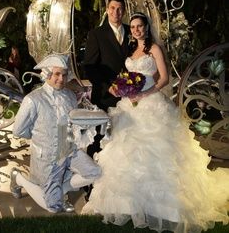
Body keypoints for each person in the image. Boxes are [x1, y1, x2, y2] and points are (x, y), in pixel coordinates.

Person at [82, 12, 229, 233]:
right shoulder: (132, 50)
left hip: (151, 103)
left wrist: (145, 93)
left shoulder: (154, 49)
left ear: (146, 27)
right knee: (125, 151)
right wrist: (121, 87)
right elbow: (128, 75)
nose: (136, 30)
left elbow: (164, 77)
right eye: (132, 27)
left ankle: (161, 205)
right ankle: (127, 203)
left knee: (156, 152)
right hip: (129, 106)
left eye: (139, 26)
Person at [10, 53, 101, 213]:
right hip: (48, 156)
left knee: (95, 172)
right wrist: (41, 138)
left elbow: (72, 122)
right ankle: (18, 177)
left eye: (64, 75)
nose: (61, 79)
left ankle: (60, 191)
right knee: (52, 208)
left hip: (69, 150)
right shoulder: (33, 100)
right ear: (47, 74)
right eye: (57, 74)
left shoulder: (70, 96)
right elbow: (18, 130)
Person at [83, 0, 129, 157]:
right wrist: (108, 87)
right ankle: (90, 177)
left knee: (125, 136)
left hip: (129, 96)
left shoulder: (132, 31)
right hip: (105, 95)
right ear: (107, 10)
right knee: (100, 138)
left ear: (124, 11)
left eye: (119, 9)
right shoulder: (96, 34)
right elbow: (89, 66)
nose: (115, 12)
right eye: (112, 8)